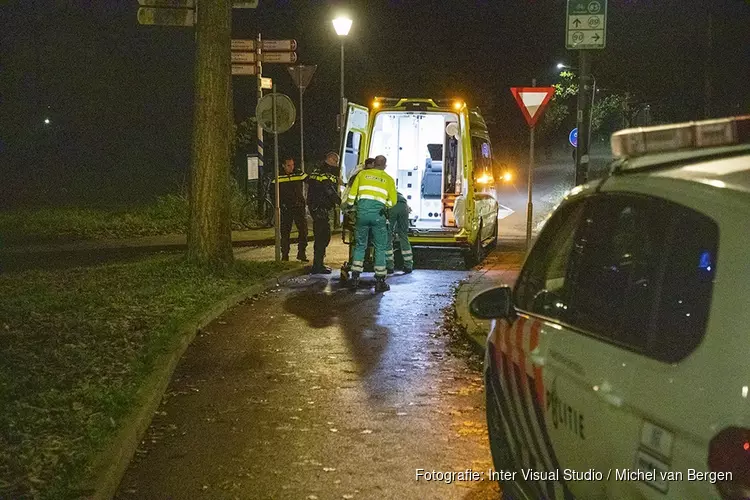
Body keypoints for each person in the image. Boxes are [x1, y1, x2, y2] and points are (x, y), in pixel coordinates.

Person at [344, 155, 397, 292]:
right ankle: (380, 281)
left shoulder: (362, 175)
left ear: (374, 164)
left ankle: (355, 278)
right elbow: (393, 202)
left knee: (360, 245)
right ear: (385, 165)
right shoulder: (389, 179)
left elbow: (351, 197)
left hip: (361, 215)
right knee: (380, 247)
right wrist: (384, 206)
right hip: (378, 217)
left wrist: (351, 207)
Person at [306, 151, 341, 274]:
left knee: (321, 236)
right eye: (336, 161)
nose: (337, 164)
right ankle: (317, 266)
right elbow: (329, 190)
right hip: (320, 207)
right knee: (323, 237)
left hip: (316, 206)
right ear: (330, 159)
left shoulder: (318, 169)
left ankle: (319, 263)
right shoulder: (325, 172)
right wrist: (341, 202)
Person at [271, 156, 308, 262]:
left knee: (303, 231)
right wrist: (279, 205)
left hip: (298, 207)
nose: (291, 167)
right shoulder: (278, 176)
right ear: (283, 165)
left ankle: (302, 253)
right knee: (285, 232)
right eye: (289, 165)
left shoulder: (298, 173)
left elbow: (310, 181)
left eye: (293, 165)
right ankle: (285, 255)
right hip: (286, 208)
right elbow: (273, 193)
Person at [386, 190, 413, 274]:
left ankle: (389, 266)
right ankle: (408, 265)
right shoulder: (394, 189)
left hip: (392, 205)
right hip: (404, 205)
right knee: (403, 235)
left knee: (388, 236)